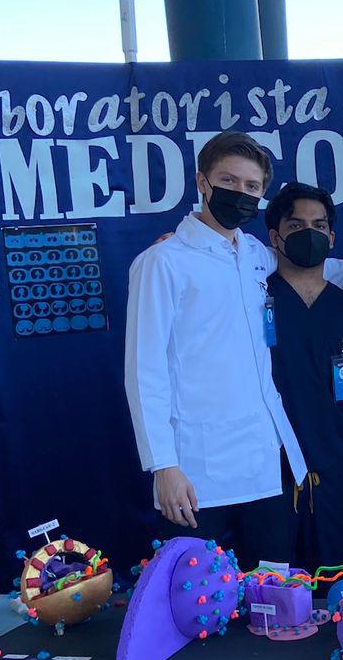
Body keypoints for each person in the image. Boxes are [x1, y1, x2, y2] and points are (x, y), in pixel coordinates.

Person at [124, 131, 306, 561]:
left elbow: (312, 270)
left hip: (264, 459)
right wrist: (163, 465)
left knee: (270, 595)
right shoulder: (163, 262)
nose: (239, 193)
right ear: (202, 182)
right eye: (229, 180)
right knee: (194, 601)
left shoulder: (256, 255)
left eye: (252, 187)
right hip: (195, 468)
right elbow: (143, 369)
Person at [263, 182, 343, 568]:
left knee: (335, 581)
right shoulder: (254, 299)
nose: (310, 233)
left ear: (332, 236)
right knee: (272, 586)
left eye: (319, 225)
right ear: (275, 237)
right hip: (268, 468)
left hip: (334, 466)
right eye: (296, 226)